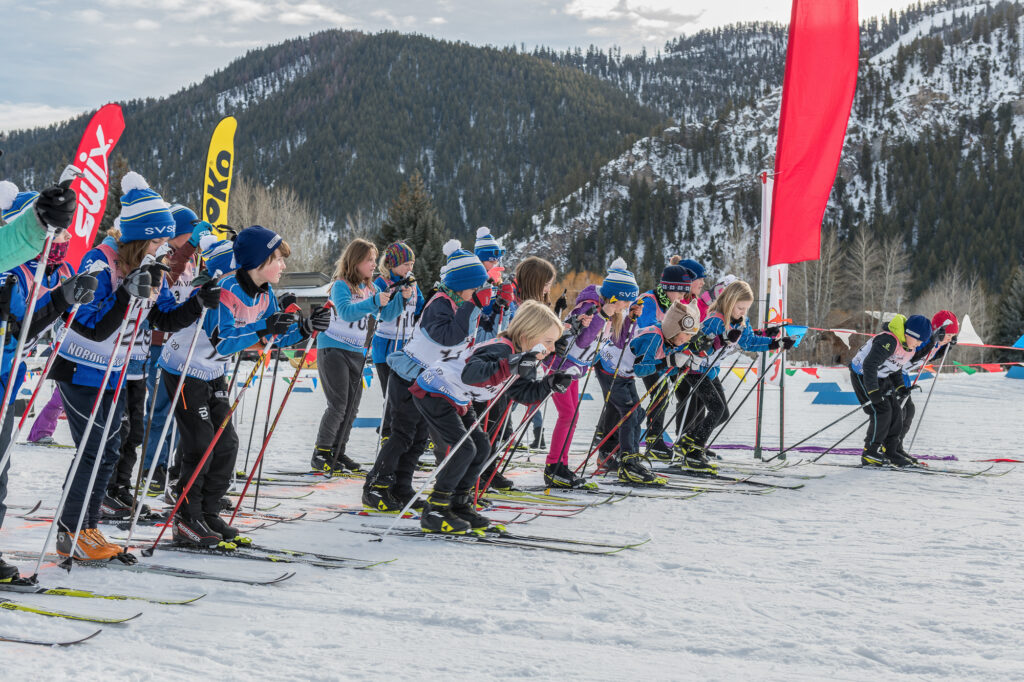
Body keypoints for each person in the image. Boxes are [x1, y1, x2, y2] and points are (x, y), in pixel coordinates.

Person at [50, 172, 207, 561]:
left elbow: (165, 318)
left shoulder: (151, 263)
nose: (164, 248)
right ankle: (72, 530)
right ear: (138, 237)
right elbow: (90, 326)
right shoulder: (101, 261)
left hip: (117, 369)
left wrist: (203, 300)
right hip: (80, 367)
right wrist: (126, 292)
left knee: (111, 447)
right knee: (94, 449)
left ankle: (87, 528)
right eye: (157, 240)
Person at [160, 225, 321, 547]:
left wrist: (304, 328)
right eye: (278, 259)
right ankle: (186, 517)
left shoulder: (265, 294)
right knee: (201, 443)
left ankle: (208, 512)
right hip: (184, 368)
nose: (284, 266)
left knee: (227, 442)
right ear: (258, 261)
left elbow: (272, 337)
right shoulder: (226, 289)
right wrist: (264, 328)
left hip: (212, 372)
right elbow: (224, 341)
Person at [0, 184, 95, 579]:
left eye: (62, 233)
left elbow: (33, 336)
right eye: (52, 232)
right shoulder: (12, 271)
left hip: (6, 379)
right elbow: (19, 330)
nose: (60, 241)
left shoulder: (59, 270)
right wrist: (59, 302)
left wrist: (68, 301)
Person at [413, 300, 569, 534]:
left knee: (482, 447)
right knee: (464, 449)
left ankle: (459, 503)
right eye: (548, 342)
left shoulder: (521, 355)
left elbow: (521, 393)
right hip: (434, 390)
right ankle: (436, 508)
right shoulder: (502, 348)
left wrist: (549, 384)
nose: (552, 349)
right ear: (527, 335)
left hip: (457, 397)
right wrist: (510, 365)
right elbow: (472, 374)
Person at [364, 240, 490, 513]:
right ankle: (376, 484)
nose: (478, 293)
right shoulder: (441, 302)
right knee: (402, 434)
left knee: (420, 437)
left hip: (430, 379)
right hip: (409, 374)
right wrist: (473, 307)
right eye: (475, 287)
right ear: (462, 284)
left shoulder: (459, 304)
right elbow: (446, 337)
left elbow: (464, 340)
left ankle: (401, 485)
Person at [312, 238, 408, 473]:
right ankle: (322, 452)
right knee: (338, 404)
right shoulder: (341, 285)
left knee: (352, 406)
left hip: (356, 351)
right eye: (369, 260)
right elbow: (345, 312)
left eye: (375, 260)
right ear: (355, 262)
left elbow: (385, 315)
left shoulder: (371, 288)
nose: (374, 265)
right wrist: (374, 301)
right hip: (333, 348)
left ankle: (338, 451)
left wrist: (401, 299)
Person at [675, 280, 791, 471]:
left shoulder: (741, 323)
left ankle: (687, 441)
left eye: (746, 308)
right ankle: (694, 453)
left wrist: (776, 343)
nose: (743, 312)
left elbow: (749, 343)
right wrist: (722, 339)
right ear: (729, 302)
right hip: (695, 369)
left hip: (709, 371)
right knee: (717, 409)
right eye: (740, 308)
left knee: (722, 413)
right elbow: (697, 345)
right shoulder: (715, 320)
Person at [543, 262, 625, 488]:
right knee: (568, 415)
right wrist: (603, 315)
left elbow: (610, 341)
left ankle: (560, 464)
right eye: (625, 301)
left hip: (574, 368)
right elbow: (583, 339)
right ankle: (554, 467)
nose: (626, 306)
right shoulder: (590, 306)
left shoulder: (608, 311)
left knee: (572, 417)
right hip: (560, 365)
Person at [591, 258, 668, 486]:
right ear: (617, 296)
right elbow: (612, 339)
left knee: (630, 411)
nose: (628, 306)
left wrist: (632, 319)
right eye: (627, 301)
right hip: (608, 366)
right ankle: (627, 460)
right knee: (629, 412)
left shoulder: (621, 312)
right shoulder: (605, 308)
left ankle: (614, 454)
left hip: (618, 367)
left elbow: (624, 337)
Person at [849, 314, 932, 467]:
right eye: (918, 340)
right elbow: (869, 365)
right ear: (909, 334)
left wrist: (901, 388)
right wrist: (873, 392)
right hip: (863, 375)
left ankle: (891, 450)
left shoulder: (908, 347)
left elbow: (895, 367)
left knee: (896, 411)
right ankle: (870, 452)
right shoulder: (888, 340)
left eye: (922, 342)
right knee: (881, 411)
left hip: (882, 377)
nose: (919, 344)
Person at [635, 260, 695, 459]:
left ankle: (655, 439)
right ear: (669, 288)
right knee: (659, 394)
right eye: (679, 292)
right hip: (643, 354)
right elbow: (648, 327)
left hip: (663, 355)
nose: (682, 297)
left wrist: (685, 346)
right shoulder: (649, 300)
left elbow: (679, 333)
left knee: (664, 395)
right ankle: (653, 440)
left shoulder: (674, 304)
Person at [370, 242, 423, 444]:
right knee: (391, 393)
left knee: (408, 392)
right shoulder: (381, 283)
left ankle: (403, 430)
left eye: (412, 264)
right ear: (392, 263)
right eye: (406, 264)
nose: (410, 268)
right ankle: (387, 431)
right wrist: (399, 295)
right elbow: (381, 313)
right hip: (385, 346)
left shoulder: (413, 283)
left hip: (406, 346)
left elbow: (420, 309)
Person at [894, 311, 957, 464]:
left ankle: (896, 446)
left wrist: (946, 348)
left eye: (953, 336)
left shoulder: (936, 343)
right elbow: (917, 355)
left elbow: (931, 356)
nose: (950, 339)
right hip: (894, 373)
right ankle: (889, 447)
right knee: (899, 412)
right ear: (939, 332)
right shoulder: (925, 339)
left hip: (903, 375)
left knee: (909, 410)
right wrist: (933, 344)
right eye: (949, 335)